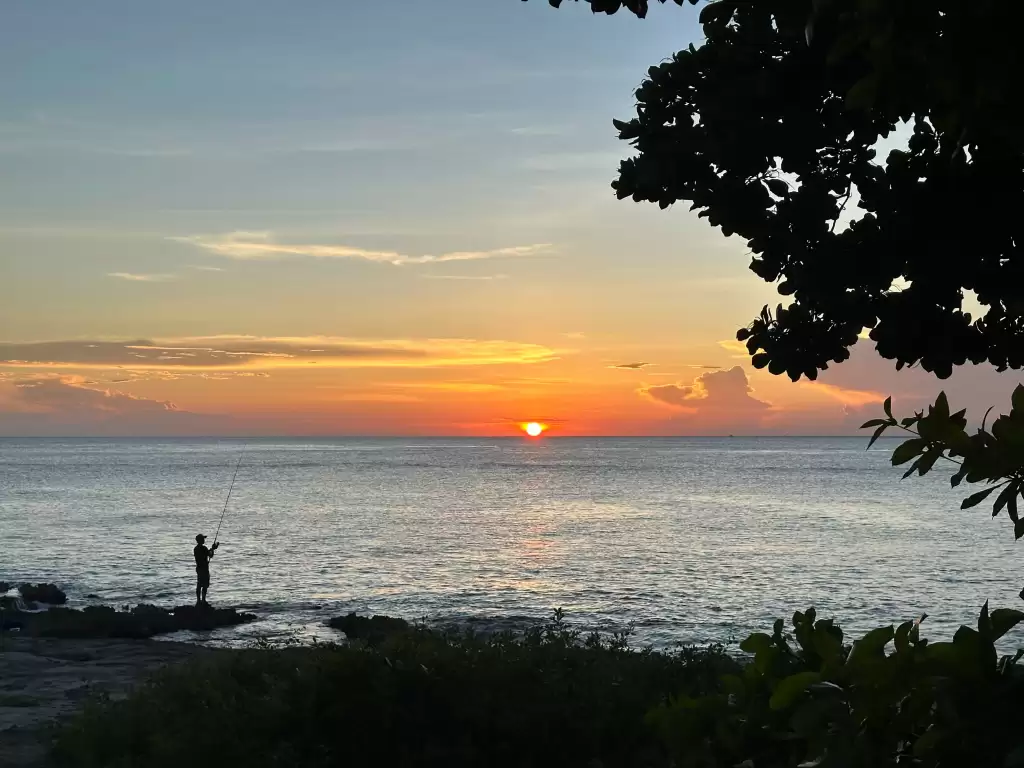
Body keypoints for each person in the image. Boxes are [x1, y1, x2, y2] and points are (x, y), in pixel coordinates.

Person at [193, 534, 219, 606]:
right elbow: (210, 555)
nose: (204, 540)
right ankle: (203, 600)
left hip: (199, 568)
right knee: (205, 585)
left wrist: (212, 549)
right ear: (200, 540)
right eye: (203, 539)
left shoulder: (195, 549)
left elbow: (208, 554)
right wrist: (213, 548)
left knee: (199, 584)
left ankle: (198, 601)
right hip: (204, 568)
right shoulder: (203, 548)